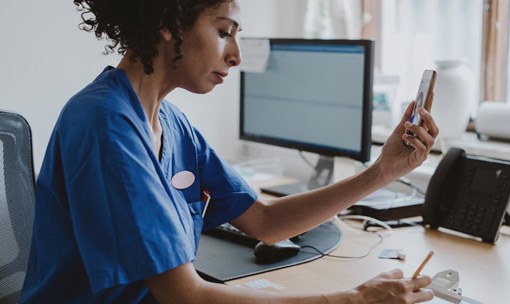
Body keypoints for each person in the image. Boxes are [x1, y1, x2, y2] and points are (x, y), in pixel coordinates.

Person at [21, 0, 439, 303]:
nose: (236, 56)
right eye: (224, 32)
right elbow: (186, 296)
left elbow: (265, 222)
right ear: (170, 22)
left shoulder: (170, 122)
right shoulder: (104, 125)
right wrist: (353, 299)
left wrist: (382, 171)